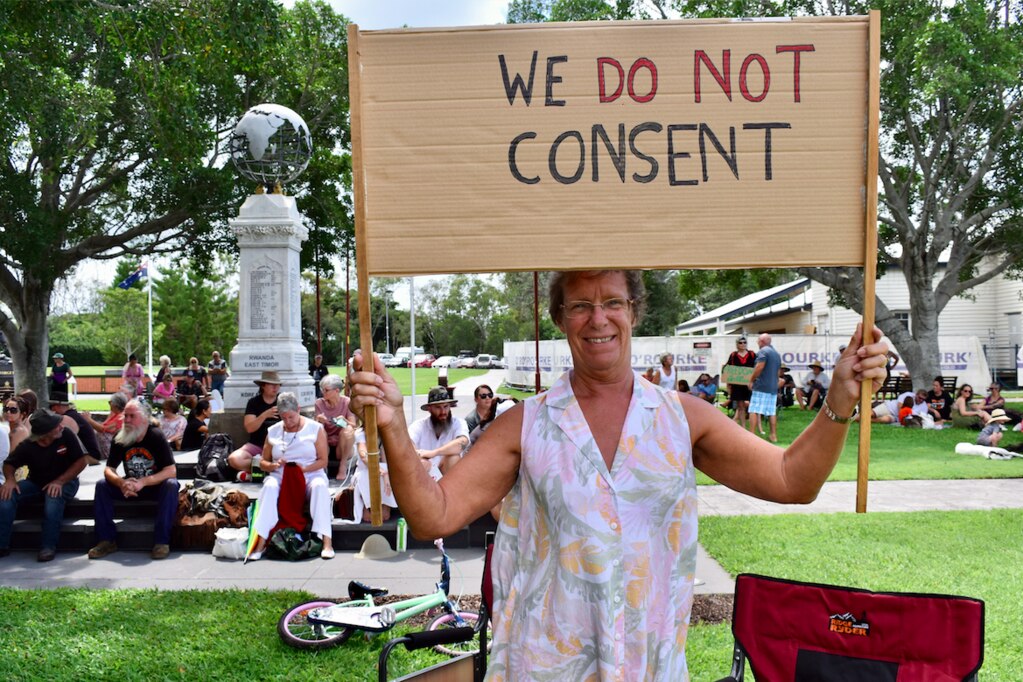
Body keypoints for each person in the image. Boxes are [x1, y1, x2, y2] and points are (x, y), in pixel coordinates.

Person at [348, 269, 888, 680]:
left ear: (634, 311)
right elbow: (431, 514)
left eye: (612, 302)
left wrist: (837, 402)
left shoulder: (682, 417)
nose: (598, 318)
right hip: (544, 663)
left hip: (647, 663)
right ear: (560, 318)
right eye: (580, 305)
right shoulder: (526, 424)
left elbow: (793, 480)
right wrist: (393, 426)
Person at [246, 392, 334, 561]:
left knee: (319, 487)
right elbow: (263, 462)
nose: (287, 422)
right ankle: (261, 541)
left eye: (291, 417)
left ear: (298, 410)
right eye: (283, 418)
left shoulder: (315, 428)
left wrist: (305, 468)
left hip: (310, 472)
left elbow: (323, 461)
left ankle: (326, 542)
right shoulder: (273, 431)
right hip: (281, 474)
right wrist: (273, 465)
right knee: (269, 486)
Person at [88, 399, 179, 560]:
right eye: (125, 416)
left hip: (153, 486)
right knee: (102, 485)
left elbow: (171, 471)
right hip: (128, 486)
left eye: (132, 416)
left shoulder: (156, 436)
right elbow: (109, 469)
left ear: (144, 418)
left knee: (171, 485)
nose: (127, 420)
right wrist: (121, 483)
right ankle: (106, 540)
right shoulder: (120, 437)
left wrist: (143, 482)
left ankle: (162, 542)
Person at [0, 410, 87, 561]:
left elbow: (81, 462)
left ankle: (48, 547)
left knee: (53, 496)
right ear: (44, 434)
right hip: (36, 483)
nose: (61, 426)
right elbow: (9, 464)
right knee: (6, 495)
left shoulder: (66, 434)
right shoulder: (28, 445)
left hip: (67, 481)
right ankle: (2, 545)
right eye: (56, 425)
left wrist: (60, 481)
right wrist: (10, 480)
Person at [226, 370, 281, 474]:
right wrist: (265, 415)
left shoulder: (282, 400)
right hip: (256, 445)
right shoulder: (254, 402)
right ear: (263, 386)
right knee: (234, 459)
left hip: (278, 446)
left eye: (277, 384)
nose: (275, 387)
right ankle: (265, 468)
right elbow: (249, 428)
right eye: (271, 384)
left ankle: (258, 470)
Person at [408, 387, 469, 477]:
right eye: (438, 407)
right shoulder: (419, 425)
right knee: (419, 463)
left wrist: (434, 453)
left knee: (453, 458)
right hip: (425, 475)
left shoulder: (458, 423)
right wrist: (422, 458)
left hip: (448, 475)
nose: (443, 412)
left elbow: (463, 442)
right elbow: (407, 444)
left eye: (446, 406)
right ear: (429, 408)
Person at [313, 374, 355, 478]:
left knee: (348, 429)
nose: (323, 392)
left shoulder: (347, 402)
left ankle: (343, 465)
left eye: (326, 390)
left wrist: (344, 421)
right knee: (320, 429)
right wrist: (318, 421)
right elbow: (314, 428)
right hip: (325, 444)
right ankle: (322, 467)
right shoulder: (319, 403)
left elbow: (353, 425)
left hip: (342, 446)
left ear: (336, 390)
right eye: (322, 389)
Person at [748, 332, 783, 443]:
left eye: (758, 340)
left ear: (762, 342)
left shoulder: (763, 351)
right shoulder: (776, 354)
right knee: (771, 412)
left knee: (753, 409)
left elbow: (759, 367)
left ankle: (752, 435)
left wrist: (751, 380)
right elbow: (778, 372)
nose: (757, 342)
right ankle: (773, 435)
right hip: (773, 387)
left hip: (761, 385)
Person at [49, 394, 101, 465]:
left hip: (89, 457)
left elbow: (61, 439)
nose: (52, 411)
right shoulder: (73, 415)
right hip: (90, 455)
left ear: (57, 406)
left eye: (51, 407)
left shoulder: (68, 418)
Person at [82, 392, 128, 459]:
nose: (109, 404)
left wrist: (89, 420)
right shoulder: (115, 414)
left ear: (116, 405)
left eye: (110, 402)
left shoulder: (120, 418)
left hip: (111, 451)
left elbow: (102, 429)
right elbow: (103, 425)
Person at [725, 337, 756, 427]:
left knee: (752, 406)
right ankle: (743, 426)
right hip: (737, 385)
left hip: (750, 384)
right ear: (737, 344)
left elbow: (757, 367)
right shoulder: (733, 355)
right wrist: (728, 386)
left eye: (744, 342)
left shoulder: (752, 354)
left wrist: (753, 380)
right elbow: (728, 369)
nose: (743, 344)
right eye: (740, 342)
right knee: (740, 406)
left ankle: (754, 427)